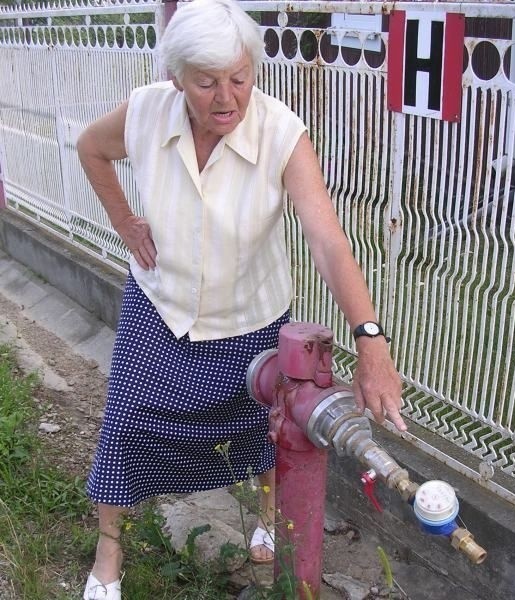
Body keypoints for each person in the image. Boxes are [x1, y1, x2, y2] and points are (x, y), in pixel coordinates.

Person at [77, 0, 407, 598]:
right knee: (124, 426)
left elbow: (328, 240)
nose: (226, 97)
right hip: (161, 307)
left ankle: (265, 518)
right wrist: (125, 221)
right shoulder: (148, 112)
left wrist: (370, 339)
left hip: (252, 320)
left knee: (263, 432)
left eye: (240, 78)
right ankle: (109, 556)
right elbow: (89, 147)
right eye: (206, 83)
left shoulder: (281, 133)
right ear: (177, 77)